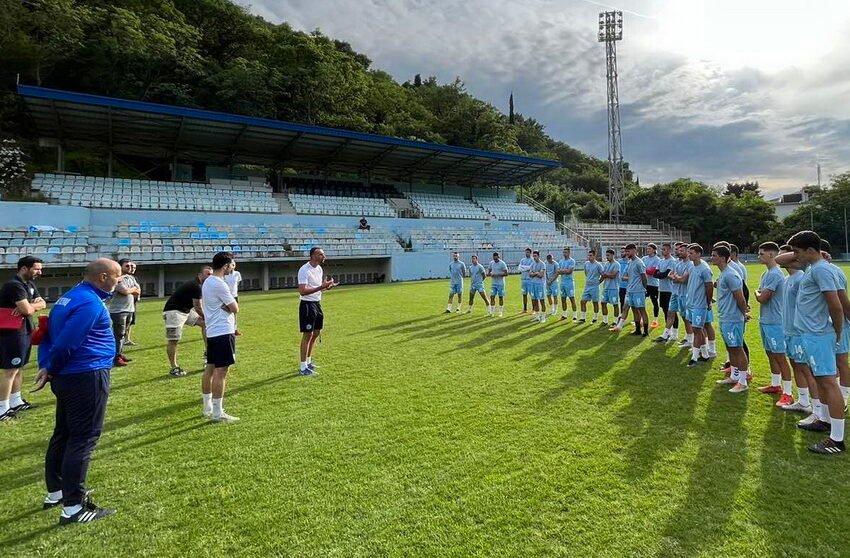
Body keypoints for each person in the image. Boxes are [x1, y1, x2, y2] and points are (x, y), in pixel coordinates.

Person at [36, 258, 121, 524]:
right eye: (117, 277)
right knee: (82, 439)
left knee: (63, 433)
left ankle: (57, 492)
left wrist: (48, 367)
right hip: (85, 375)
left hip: (69, 375)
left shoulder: (69, 297)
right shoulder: (89, 303)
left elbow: (50, 336)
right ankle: (73, 507)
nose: (119, 282)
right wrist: (50, 367)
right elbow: (65, 343)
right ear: (104, 277)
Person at [785, 231, 845, 454]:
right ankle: (825, 421)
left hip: (819, 334)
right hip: (811, 334)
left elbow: (835, 305)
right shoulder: (813, 268)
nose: (795, 256)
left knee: (829, 382)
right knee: (821, 381)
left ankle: (837, 440)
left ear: (810, 250)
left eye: (798, 251)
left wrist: (837, 332)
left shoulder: (821, 270)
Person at [0, 256, 46, 421]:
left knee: (20, 367)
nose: (39, 272)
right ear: (24, 268)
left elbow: (42, 304)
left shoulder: (28, 285)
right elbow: (27, 309)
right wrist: (30, 307)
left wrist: (31, 307)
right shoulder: (14, 286)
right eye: (36, 269)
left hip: (24, 330)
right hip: (12, 333)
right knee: (10, 370)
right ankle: (2, 408)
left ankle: (16, 401)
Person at [201, 252, 240, 423]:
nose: (233, 267)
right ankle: (218, 413)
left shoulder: (208, 281)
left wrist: (227, 306)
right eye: (232, 264)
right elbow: (235, 307)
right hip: (222, 331)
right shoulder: (219, 284)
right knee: (221, 371)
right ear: (225, 266)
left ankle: (207, 407)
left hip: (213, 331)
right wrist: (229, 306)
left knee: (210, 368)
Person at [753, 242, 794, 405]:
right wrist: (759, 293)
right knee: (770, 353)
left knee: (780, 356)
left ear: (771, 255)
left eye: (761, 253)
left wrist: (757, 293)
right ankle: (776, 384)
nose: (759, 256)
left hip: (775, 322)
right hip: (766, 320)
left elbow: (763, 297)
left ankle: (788, 392)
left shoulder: (775, 274)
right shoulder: (766, 274)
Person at [777, 244, 812, 414]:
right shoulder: (786, 280)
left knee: (805, 368)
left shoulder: (801, 278)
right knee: (795, 365)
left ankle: (817, 408)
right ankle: (803, 401)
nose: (782, 258)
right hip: (788, 330)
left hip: (799, 332)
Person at [712, 245, 750, 393]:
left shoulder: (730, 275)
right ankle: (734, 376)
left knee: (737, 348)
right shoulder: (723, 274)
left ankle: (742, 381)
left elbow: (740, 298)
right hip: (725, 317)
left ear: (722, 257)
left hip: (733, 318)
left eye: (714, 255)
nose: (712, 257)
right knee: (730, 347)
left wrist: (743, 314)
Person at [163, 266, 212, 377]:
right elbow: (198, 307)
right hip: (174, 312)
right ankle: (174, 367)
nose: (210, 276)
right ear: (200, 274)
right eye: (207, 273)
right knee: (173, 340)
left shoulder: (200, 285)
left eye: (211, 274)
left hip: (185, 311)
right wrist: (207, 317)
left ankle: (208, 354)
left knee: (205, 324)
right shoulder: (196, 286)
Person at [298, 247, 338, 375]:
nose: (323, 256)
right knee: (307, 335)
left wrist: (326, 287)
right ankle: (303, 367)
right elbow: (303, 291)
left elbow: (317, 288)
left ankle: (309, 362)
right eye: (320, 254)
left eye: (323, 254)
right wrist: (321, 286)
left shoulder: (319, 269)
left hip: (317, 304)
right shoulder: (304, 270)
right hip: (307, 305)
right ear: (313, 255)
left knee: (315, 333)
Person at [685, 244, 716, 367]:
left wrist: (707, 302)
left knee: (698, 329)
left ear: (698, 254)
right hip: (691, 303)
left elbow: (709, 286)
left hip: (700, 305)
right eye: (688, 252)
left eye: (691, 252)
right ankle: (705, 354)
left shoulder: (705, 269)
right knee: (696, 329)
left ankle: (694, 357)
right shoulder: (692, 267)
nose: (689, 254)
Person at [108, 259, 140, 368]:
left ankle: (120, 354)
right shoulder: (117, 278)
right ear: (120, 266)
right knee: (118, 335)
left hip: (129, 309)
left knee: (123, 334)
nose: (130, 268)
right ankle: (116, 358)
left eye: (131, 266)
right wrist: (133, 289)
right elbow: (125, 291)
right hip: (118, 311)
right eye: (127, 266)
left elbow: (138, 291)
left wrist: (131, 289)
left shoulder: (131, 278)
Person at [652, 243, 679, 343]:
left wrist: (662, 274)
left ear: (669, 250)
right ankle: (668, 332)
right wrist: (661, 274)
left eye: (664, 249)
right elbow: (655, 274)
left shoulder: (672, 261)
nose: (662, 251)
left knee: (671, 311)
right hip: (662, 289)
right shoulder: (661, 261)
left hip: (670, 290)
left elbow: (664, 274)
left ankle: (675, 333)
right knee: (664, 310)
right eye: (662, 249)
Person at [670, 242, 694, 348]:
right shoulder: (680, 263)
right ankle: (689, 338)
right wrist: (677, 278)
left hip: (687, 294)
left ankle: (693, 340)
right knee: (684, 317)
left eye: (682, 251)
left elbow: (683, 279)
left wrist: (677, 278)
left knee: (689, 318)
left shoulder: (690, 264)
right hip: (680, 293)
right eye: (678, 250)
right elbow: (672, 276)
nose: (679, 252)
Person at [624, 243, 649, 336]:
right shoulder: (630, 262)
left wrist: (645, 289)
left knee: (642, 310)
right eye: (626, 251)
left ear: (634, 250)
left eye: (628, 251)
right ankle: (638, 330)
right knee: (634, 310)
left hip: (638, 291)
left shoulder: (639, 262)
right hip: (631, 290)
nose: (627, 253)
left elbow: (644, 277)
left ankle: (645, 331)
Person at [580, 250, 604, 324]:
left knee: (595, 302)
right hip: (587, 286)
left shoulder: (598, 265)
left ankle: (595, 318)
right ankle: (583, 318)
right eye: (588, 255)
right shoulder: (586, 264)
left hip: (595, 286)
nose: (589, 257)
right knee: (582, 301)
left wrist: (598, 282)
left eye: (590, 255)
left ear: (594, 256)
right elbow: (586, 273)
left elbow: (603, 275)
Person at [600, 249, 620, 326]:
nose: (607, 257)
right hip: (606, 287)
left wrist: (605, 275)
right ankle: (605, 321)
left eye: (608, 255)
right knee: (603, 303)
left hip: (613, 288)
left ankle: (615, 321)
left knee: (615, 304)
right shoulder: (606, 264)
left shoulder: (616, 264)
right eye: (606, 255)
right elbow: (603, 276)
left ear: (612, 255)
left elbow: (613, 275)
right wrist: (598, 282)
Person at [643, 243, 661, 328]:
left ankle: (655, 320)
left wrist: (643, 270)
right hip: (644, 284)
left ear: (654, 250)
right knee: (641, 302)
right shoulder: (644, 259)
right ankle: (642, 320)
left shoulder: (657, 260)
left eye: (649, 249)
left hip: (654, 285)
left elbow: (652, 272)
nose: (647, 250)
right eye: (647, 249)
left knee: (654, 302)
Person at [557, 247, 578, 321]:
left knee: (572, 299)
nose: (564, 254)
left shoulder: (572, 261)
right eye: (563, 252)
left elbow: (569, 271)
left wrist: (562, 271)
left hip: (569, 283)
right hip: (562, 282)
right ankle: (564, 315)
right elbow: (558, 271)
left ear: (569, 253)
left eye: (566, 252)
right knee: (563, 299)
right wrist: (564, 271)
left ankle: (575, 315)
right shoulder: (561, 261)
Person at [223, 259, 243, 336]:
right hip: (226, 296)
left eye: (234, 264)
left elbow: (237, 283)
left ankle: (234, 329)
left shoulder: (237, 274)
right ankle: (225, 329)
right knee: (225, 312)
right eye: (231, 264)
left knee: (235, 313)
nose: (233, 266)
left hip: (234, 296)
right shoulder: (225, 275)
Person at [123, 261, 140, 347]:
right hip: (124, 305)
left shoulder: (134, 278)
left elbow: (138, 289)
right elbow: (126, 291)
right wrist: (133, 290)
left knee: (130, 322)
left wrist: (135, 292)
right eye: (130, 267)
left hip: (133, 303)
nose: (132, 269)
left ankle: (127, 339)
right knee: (122, 323)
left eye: (134, 268)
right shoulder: (122, 279)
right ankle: (123, 340)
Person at [486, 252, 508, 317]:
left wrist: (497, 274)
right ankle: (491, 312)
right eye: (494, 258)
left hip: (501, 284)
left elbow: (506, 273)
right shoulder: (491, 263)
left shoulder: (502, 263)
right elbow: (489, 272)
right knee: (492, 297)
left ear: (499, 257)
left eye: (496, 258)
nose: (495, 259)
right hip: (493, 284)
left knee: (500, 297)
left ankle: (500, 312)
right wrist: (489, 274)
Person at [528, 251, 547, 323]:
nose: (534, 257)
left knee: (542, 300)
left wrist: (535, 273)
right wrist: (536, 273)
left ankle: (543, 317)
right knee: (535, 300)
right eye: (533, 256)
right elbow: (530, 274)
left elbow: (541, 275)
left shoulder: (542, 264)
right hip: (533, 284)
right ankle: (537, 316)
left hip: (540, 285)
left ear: (539, 256)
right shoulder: (532, 264)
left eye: (535, 256)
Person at [518, 248, 534, 314]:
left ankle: (534, 309)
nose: (526, 253)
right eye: (526, 252)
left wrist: (523, 268)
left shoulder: (532, 260)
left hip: (530, 280)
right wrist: (526, 268)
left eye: (528, 252)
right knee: (524, 295)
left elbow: (531, 268)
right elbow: (519, 269)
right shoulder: (522, 260)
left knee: (532, 295)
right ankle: (525, 309)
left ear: (530, 253)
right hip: (523, 280)